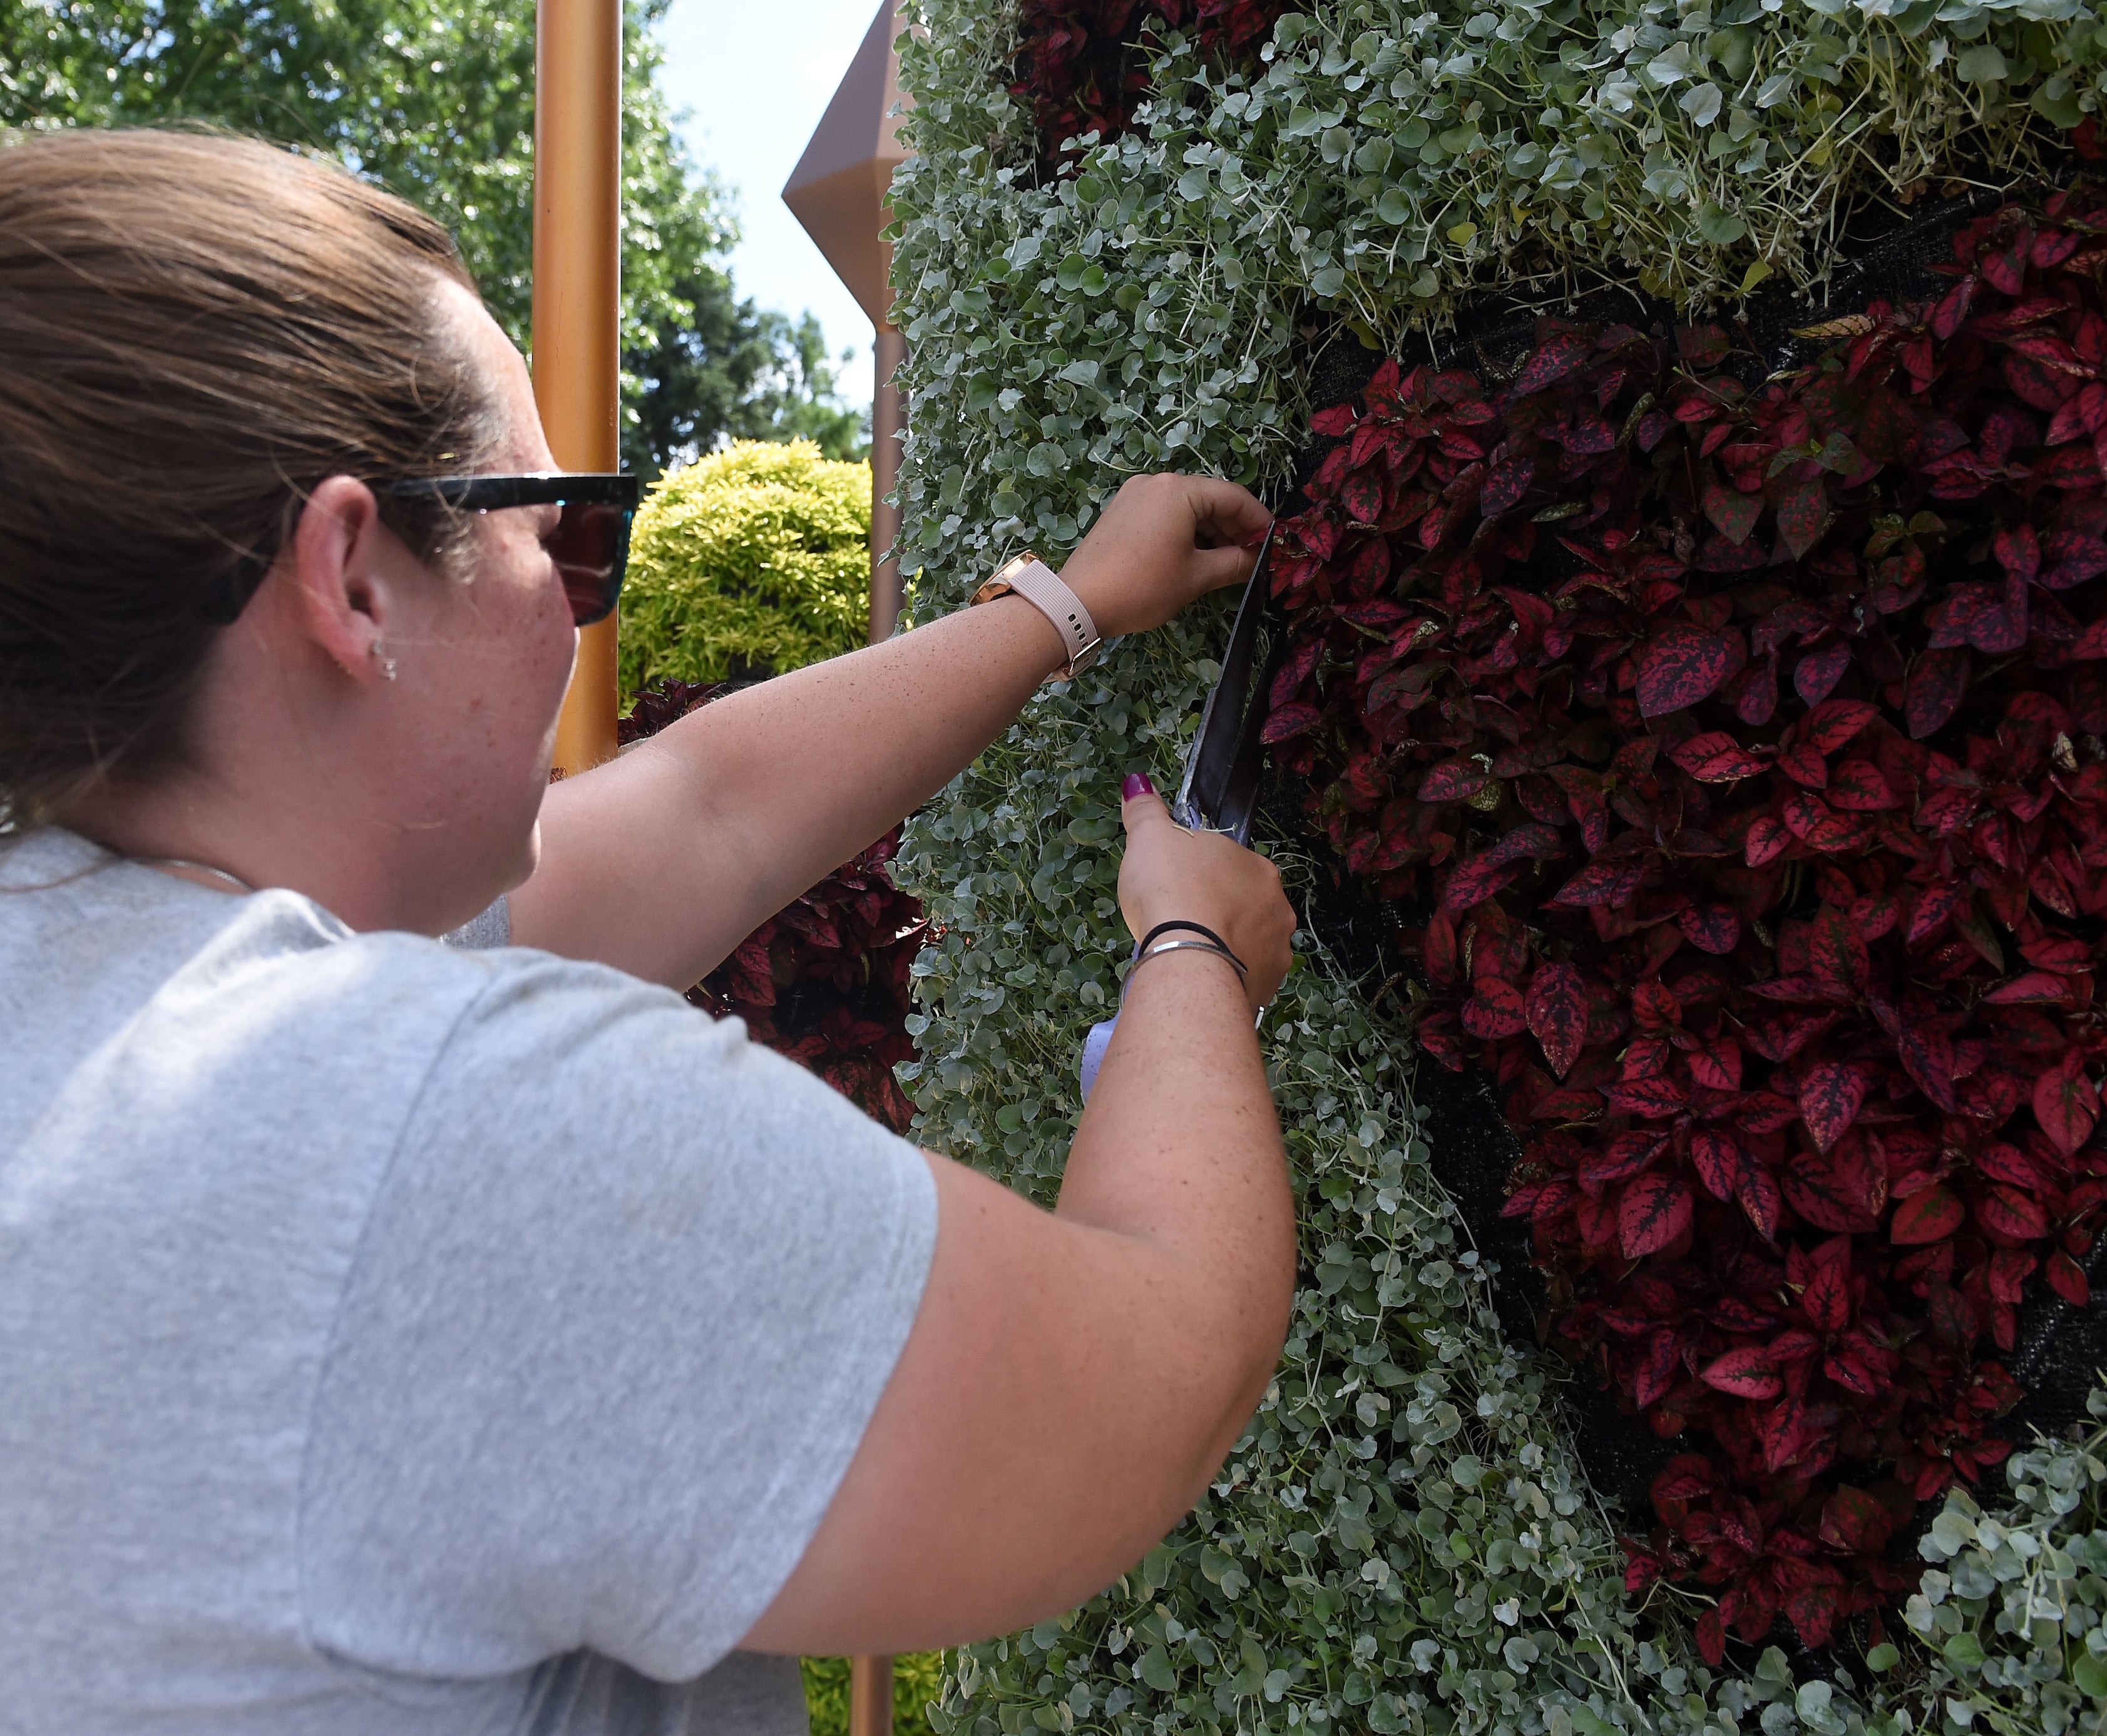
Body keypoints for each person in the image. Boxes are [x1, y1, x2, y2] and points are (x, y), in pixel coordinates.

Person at [0, 128, 1298, 1733]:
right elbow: (1146, 1382)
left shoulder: (104, 985)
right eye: (565, 530)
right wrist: (1195, 961)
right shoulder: (438, 1137)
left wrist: (1061, 611)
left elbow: (703, 808)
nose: (573, 599)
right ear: (351, 578)